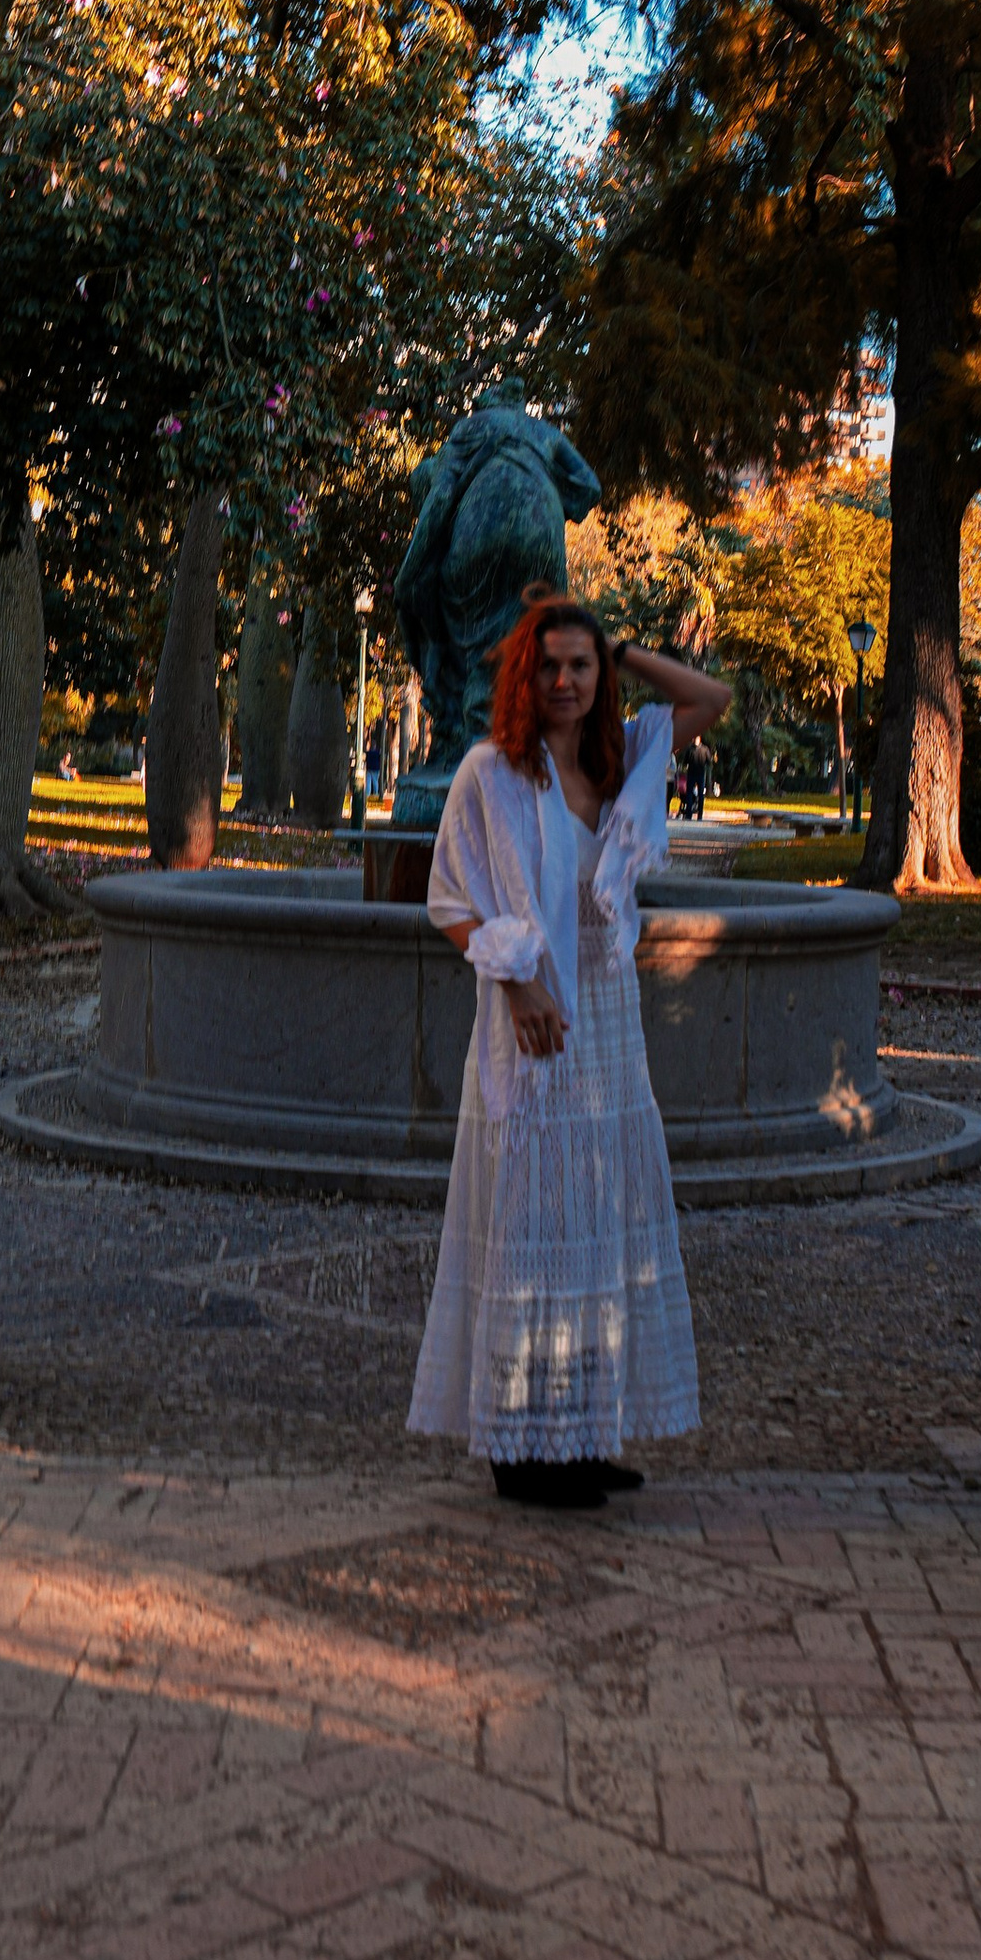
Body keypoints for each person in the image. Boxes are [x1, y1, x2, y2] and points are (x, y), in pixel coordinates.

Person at [409, 592, 733, 1507]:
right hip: (533, 1025)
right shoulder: (491, 773)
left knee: (599, 1229)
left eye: (580, 666)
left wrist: (621, 646)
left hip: (609, 1023)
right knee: (530, 1230)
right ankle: (522, 1449)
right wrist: (516, 981)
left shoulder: (624, 759)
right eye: (548, 665)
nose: (563, 681)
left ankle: (584, 1434)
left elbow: (711, 698)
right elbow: (448, 901)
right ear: (523, 673)